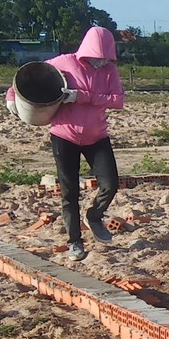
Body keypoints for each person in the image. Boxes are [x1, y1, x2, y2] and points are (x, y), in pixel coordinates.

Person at [38, 25, 123, 261]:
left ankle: (94, 216)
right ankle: (75, 241)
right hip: (65, 136)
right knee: (70, 191)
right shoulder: (63, 62)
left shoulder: (109, 71)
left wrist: (82, 96)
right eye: (97, 57)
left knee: (111, 184)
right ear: (87, 50)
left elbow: (117, 100)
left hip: (97, 136)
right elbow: (31, 77)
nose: (100, 62)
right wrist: (12, 97)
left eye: (105, 57)